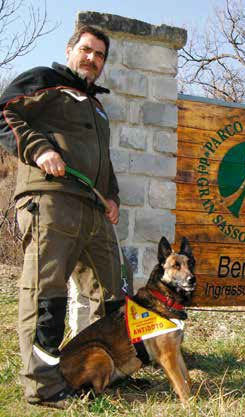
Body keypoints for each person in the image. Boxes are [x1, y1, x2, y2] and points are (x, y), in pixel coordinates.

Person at [0, 25, 132, 409]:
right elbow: (4, 113)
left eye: (100, 55)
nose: (93, 59)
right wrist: (39, 149)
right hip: (51, 202)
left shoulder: (97, 106)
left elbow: (103, 161)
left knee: (115, 295)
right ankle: (44, 386)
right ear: (71, 49)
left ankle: (109, 371)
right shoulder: (46, 81)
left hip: (94, 211)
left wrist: (112, 196)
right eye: (87, 50)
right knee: (47, 297)